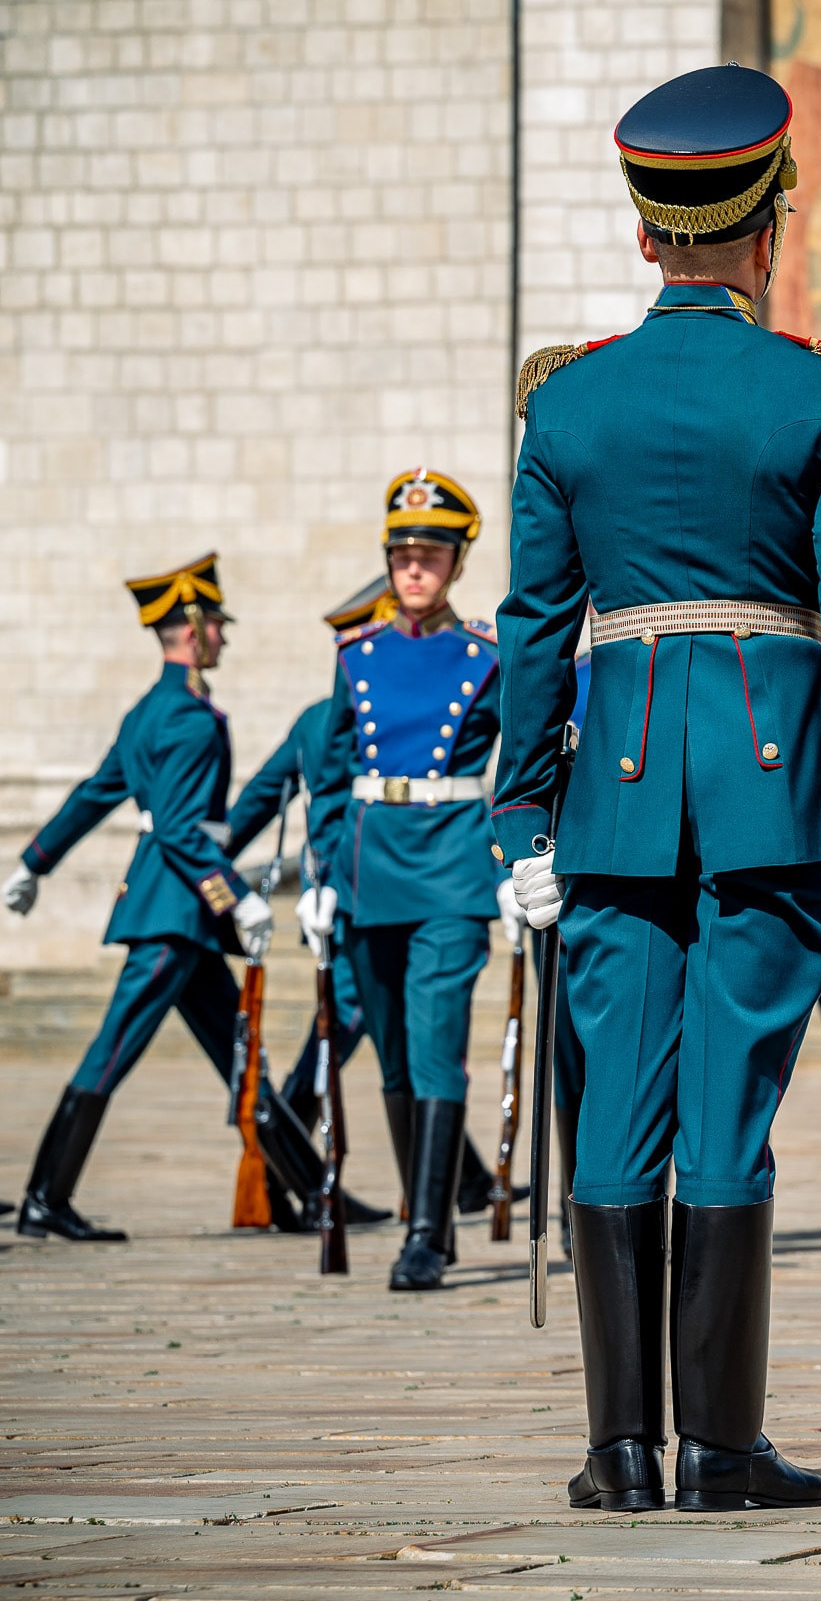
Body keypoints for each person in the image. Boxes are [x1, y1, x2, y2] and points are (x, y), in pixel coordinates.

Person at [496, 64, 821, 1513]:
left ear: (645, 230)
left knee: (619, 1103)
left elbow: (535, 624)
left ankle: (621, 1453)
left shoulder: (570, 402)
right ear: (770, 219)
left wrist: (515, 818)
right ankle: (724, 1450)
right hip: (775, 789)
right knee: (730, 1110)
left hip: (606, 800)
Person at [6, 555, 274, 1239]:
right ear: (191, 627)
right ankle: (44, 1194)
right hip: (175, 909)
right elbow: (183, 830)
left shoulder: (146, 711)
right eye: (215, 624)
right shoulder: (189, 717)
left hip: (171, 905)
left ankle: (298, 1187)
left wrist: (37, 860)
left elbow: (97, 792)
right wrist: (235, 895)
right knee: (112, 1048)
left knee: (240, 1056)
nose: (223, 637)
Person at [301, 470, 524, 1291]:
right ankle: (420, 1204)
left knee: (436, 1053)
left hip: (451, 870)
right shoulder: (356, 656)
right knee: (391, 1056)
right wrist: (322, 874)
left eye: (430, 556)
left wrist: (513, 855)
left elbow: (526, 759)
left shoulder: (485, 658)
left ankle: (427, 1232)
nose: (414, 570)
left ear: (457, 563)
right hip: (370, 871)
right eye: (402, 555)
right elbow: (329, 773)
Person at [217, 574, 404, 1228]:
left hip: (360, 897)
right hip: (355, 900)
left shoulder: (313, 719)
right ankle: (286, 1160)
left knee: (383, 1030)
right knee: (342, 1027)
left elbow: (254, 803)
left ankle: (454, 1176)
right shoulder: (359, 718)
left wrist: (215, 854)